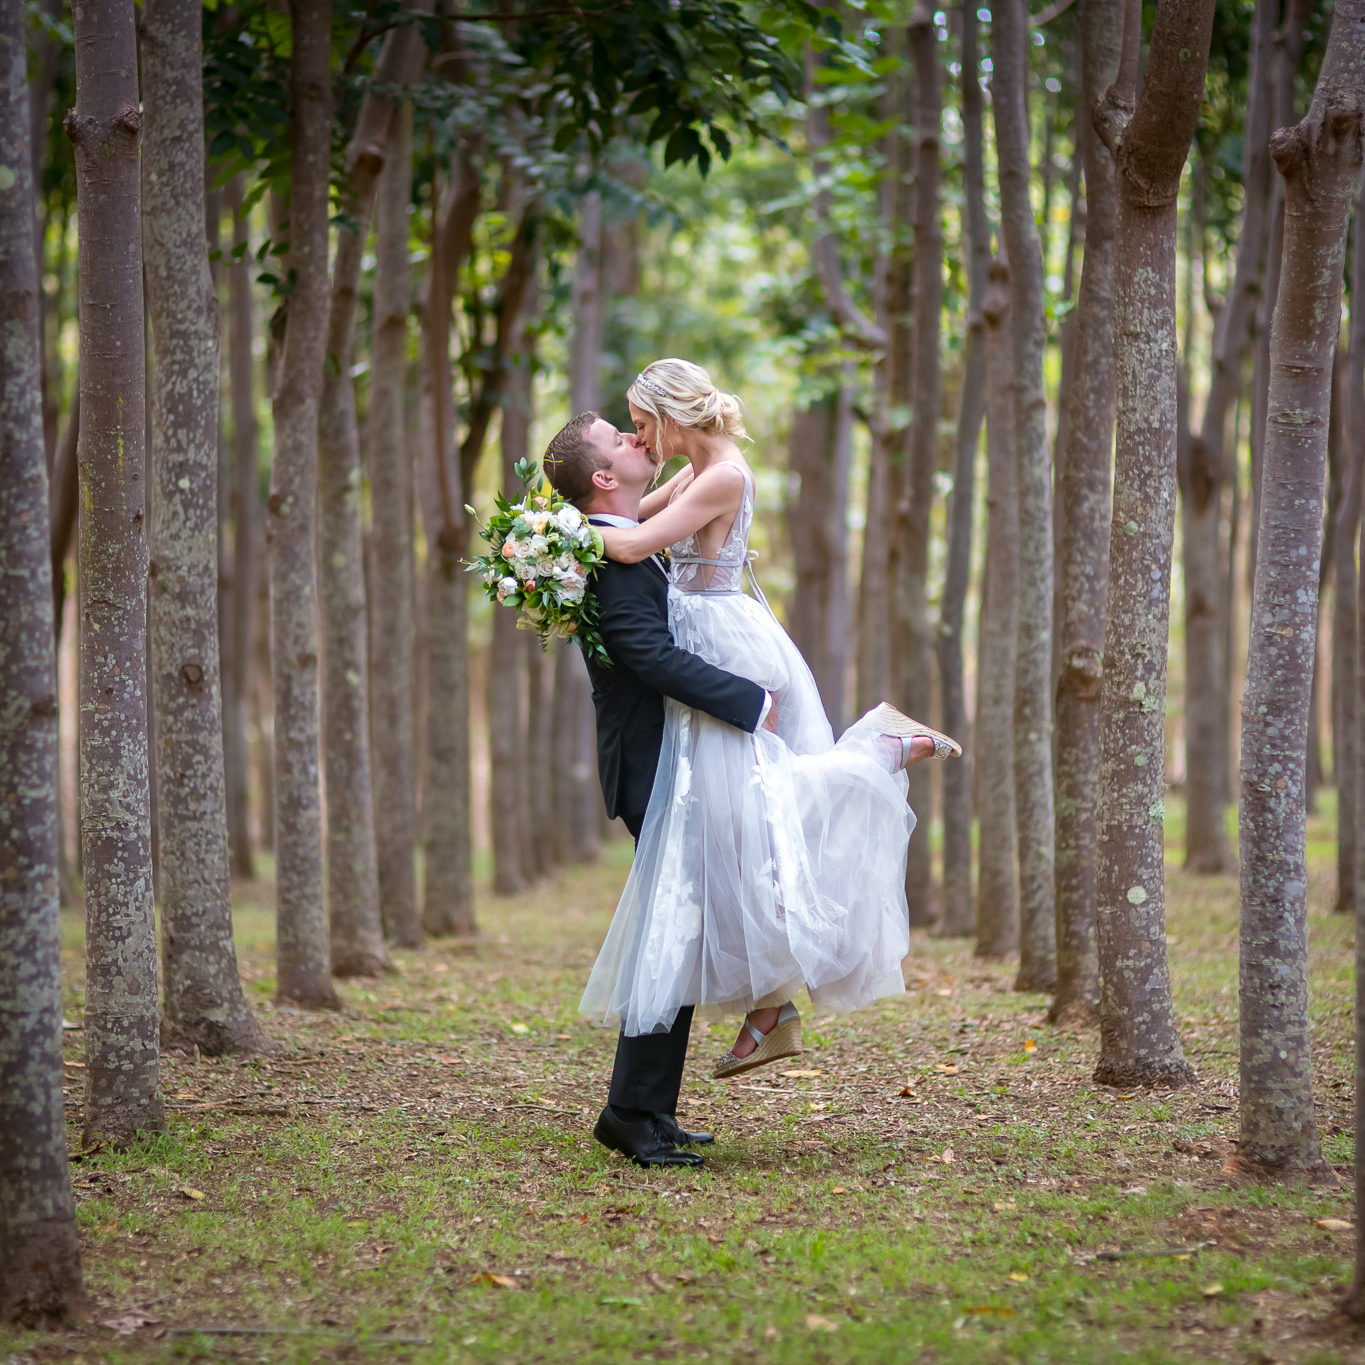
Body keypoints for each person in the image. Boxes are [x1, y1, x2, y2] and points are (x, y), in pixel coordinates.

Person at [572, 359, 958, 1085]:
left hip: (719, 643)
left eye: (641, 418)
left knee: (758, 813)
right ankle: (769, 1006)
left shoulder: (721, 473)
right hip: (698, 635)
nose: (638, 433)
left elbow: (626, 543)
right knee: (734, 837)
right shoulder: (693, 467)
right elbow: (630, 515)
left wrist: (549, 541)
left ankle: (876, 751)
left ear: (671, 414)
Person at [542, 410, 776, 1169]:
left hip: (669, 762)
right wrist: (747, 700)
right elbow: (645, 652)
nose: (635, 439)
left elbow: (700, 475)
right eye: (619, 439)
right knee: (671, 935)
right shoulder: (612, 555)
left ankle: (650, 1108)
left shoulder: (626, 533)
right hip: (653, 765)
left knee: (679, 929)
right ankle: (629, 1112)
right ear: (603, 478)